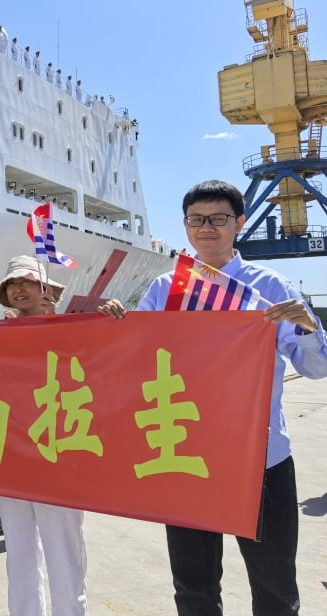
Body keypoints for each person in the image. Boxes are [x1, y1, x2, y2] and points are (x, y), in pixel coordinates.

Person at [98, 180, 327, 616]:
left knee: (275, 589)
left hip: (260, 459)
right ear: (185, 226)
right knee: (193, 588)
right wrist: (116, 323)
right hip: (184, 455)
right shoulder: (165, 290)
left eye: (218, 218)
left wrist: (307, 327)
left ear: (239, 223)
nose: (207, 228)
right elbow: (132, 358)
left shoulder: (270, 286)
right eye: (196, 219)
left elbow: (317, 368)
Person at [0, 255, 88, 616]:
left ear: (44, 289)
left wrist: (57, 325)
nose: (19, 289)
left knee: (63, 551)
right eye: (12, 285)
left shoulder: (72, 329)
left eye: (27, 283)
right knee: (19, 552)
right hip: (12, 455)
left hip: (58, 456)